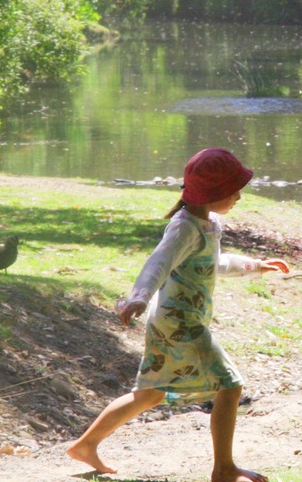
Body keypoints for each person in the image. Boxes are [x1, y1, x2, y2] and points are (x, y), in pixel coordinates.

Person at [68, 148, 290, 482]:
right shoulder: (184, 227)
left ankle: (86, 445)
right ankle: (224, 470)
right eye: (233, 191)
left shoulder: (208, 223)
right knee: (229, 386)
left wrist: (255, 265)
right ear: (213, 193)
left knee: (150, 393)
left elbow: (211, 263)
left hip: (177, 319)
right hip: (179, 321)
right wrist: (138, 298)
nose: (238, 197)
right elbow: (158, 262)